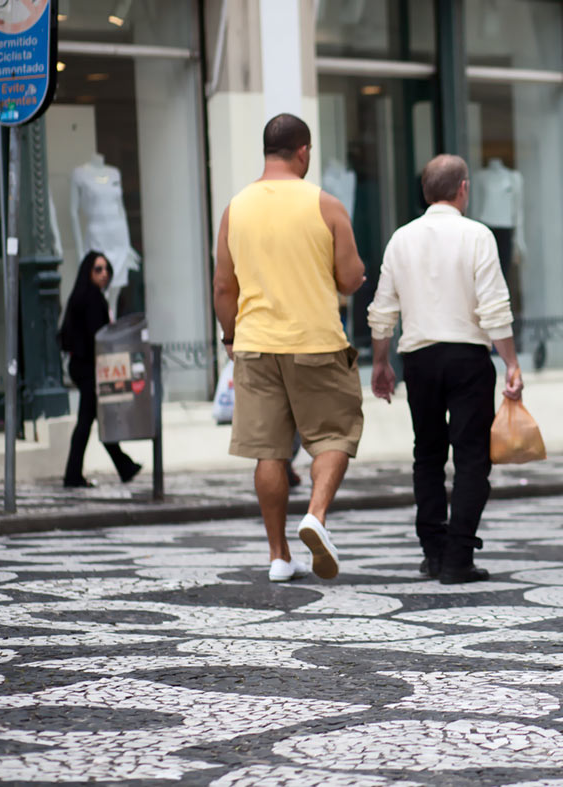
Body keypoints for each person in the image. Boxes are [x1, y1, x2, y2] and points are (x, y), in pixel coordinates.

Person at [213, 113, 366, 583]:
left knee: (269, 452)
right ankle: (316, 515)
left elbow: (223, 287)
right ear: (303, 151)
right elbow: (349, 278)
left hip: (256, 345)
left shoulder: (235, 208)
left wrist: (231, 338)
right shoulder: (326, 205)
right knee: (335, 434)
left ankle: (279, 556)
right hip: (316, 341)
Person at [368, 154, 523, 585]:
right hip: (468, 359)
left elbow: (383, 311)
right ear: (463, 189)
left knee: (428, 455)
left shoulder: (401, 238)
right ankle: (458, 557)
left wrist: (381, 362)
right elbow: (493, 305)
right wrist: (510, 361)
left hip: (419, 359)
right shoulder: (478, 235)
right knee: (472, 459)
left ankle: (434, 552)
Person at [58, 251, 143, 488]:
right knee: (87, 420)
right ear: (88, 272)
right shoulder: (92, 299)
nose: (104, 274)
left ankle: (122, 466)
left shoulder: (82, 296)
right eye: (98, 269)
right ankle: (75, 474)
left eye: (106, 269)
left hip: (84, 367)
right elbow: (98, 338)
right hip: (89, 368)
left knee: (94, 418)